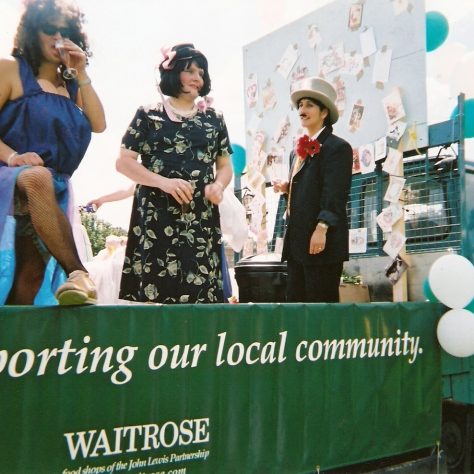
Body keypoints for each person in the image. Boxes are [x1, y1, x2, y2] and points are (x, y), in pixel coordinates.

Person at [0, 0, 106, 306]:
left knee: (30, 276)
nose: (58, 37)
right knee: (36, 177)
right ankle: (79, 273)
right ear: (32, 32)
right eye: (49, 29)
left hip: (55, 189)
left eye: (66, 31)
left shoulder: (72, 87)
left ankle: (13, 349)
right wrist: (13, 158)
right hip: (11, 173)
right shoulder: (10, 70)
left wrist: (81, 72)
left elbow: (98, 124)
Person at [116, 43, 233, 304]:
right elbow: (124, 163)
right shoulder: (147, 114)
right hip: (157, 216)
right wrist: (163, 183)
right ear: (172, 72)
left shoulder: (215, 118)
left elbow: (224, 166)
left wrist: (219, 186)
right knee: (157, 295)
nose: (196, 77)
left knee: (202, 294)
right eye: (189, 70)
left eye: (201, 72)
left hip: (200, 217)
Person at [273, 77, 353, 302]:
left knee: (321, 309)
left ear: (324, 112)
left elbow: (335, 193)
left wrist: (322, 228)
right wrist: (288, 188)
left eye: (309, 104)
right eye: (299, 105)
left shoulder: (338, 148)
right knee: (296, 308)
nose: (302, 109)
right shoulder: (295, 151)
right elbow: (312, 186)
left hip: (321, 242)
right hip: (297, 243)